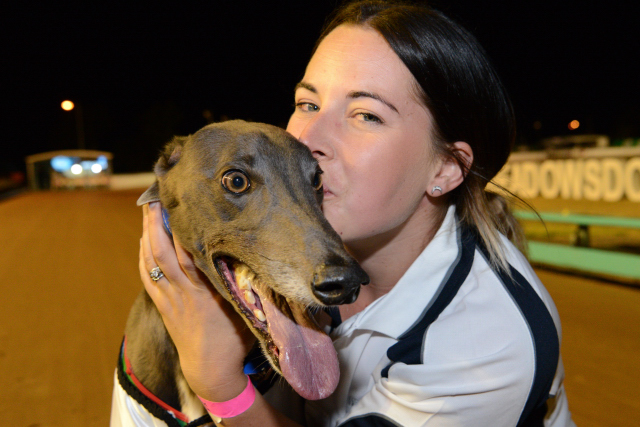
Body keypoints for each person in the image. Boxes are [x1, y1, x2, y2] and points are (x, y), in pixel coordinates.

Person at [112, 1, 576, 426]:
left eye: (365, 115)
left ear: (446, 168)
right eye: (307, 103)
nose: (307, 137)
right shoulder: (300, 252)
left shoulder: (487, 342)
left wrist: (219, 383)